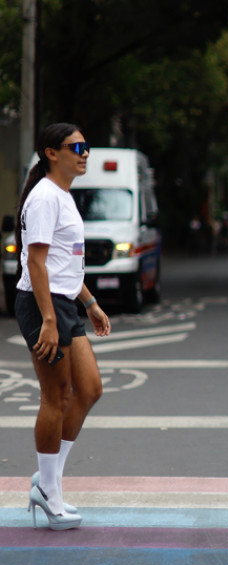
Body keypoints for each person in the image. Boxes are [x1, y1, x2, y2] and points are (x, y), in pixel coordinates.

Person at [14, 123, 111, 530]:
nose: (85, 153)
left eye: (86, 146)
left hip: (64, 302)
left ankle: (47, 481)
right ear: (52, 153)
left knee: (89, 389)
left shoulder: (63, 195)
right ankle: (50, 494)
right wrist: (49, 321)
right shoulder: (44, 198)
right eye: (77, 147)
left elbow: (63, 261)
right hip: (43, 305)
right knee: (55, 397)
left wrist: (89, 302)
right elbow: (35, 263)